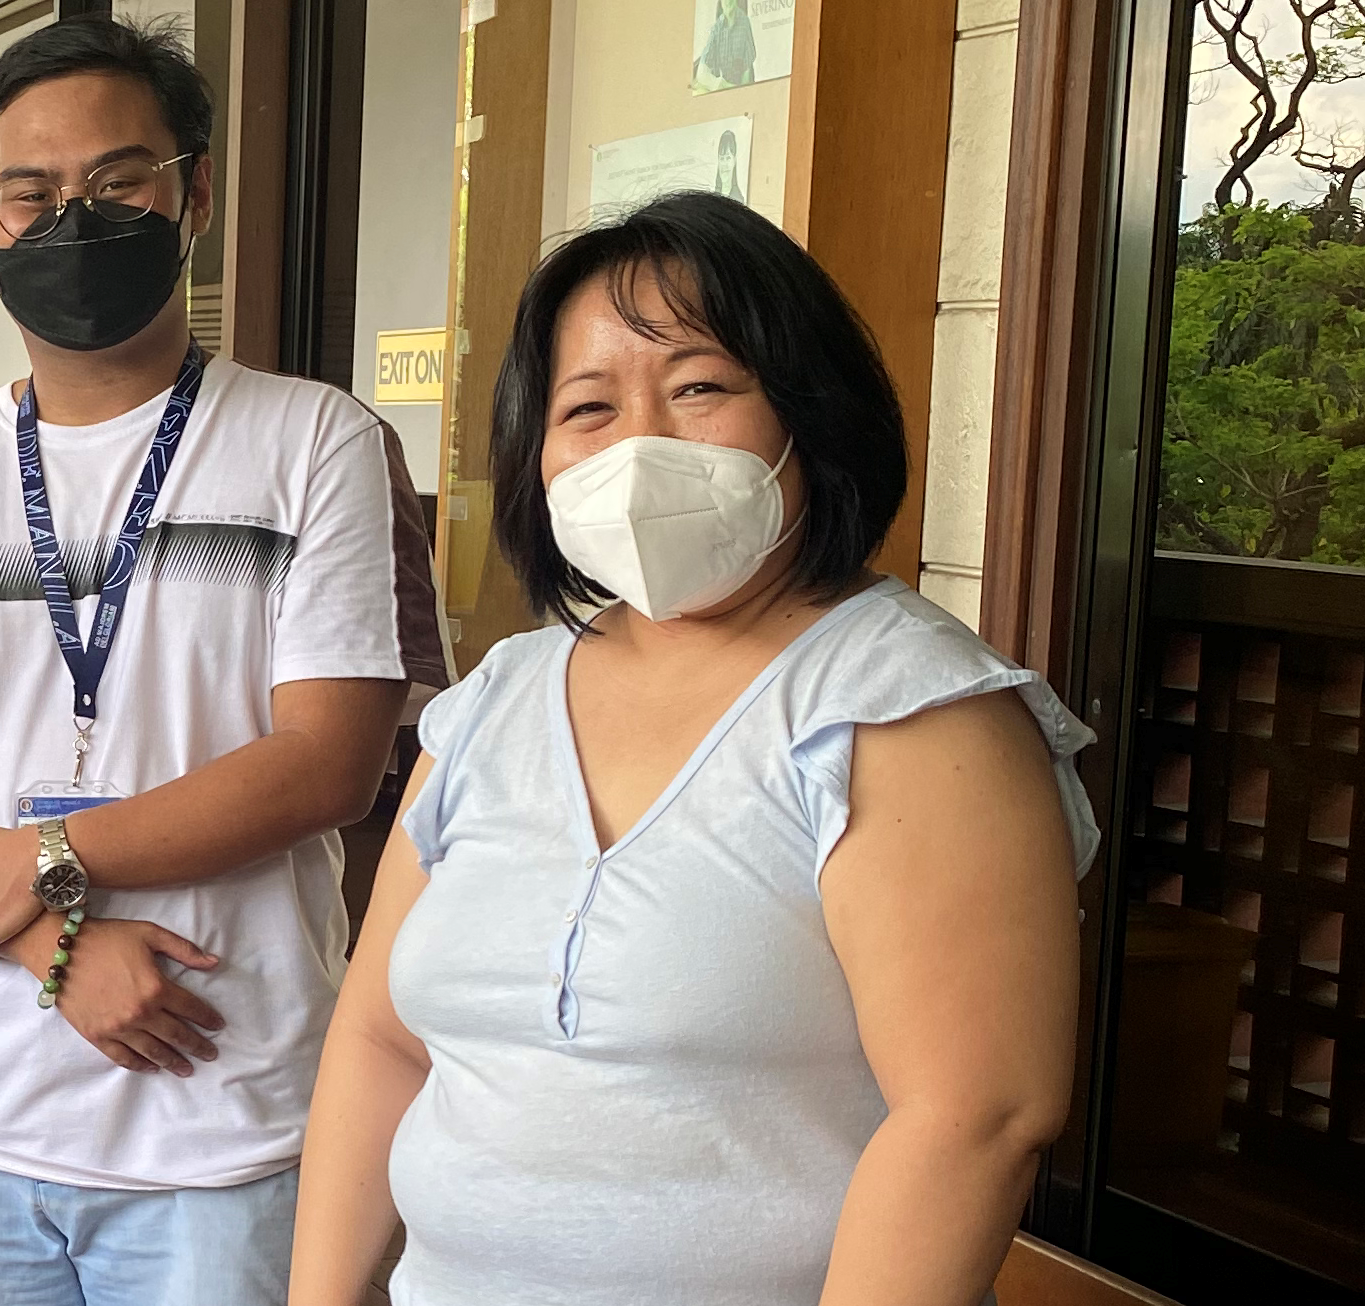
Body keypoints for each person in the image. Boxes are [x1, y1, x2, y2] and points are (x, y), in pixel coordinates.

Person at [288, 190, 1098, 1306]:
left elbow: (976, 1119)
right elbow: (382, 1040)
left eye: (700, 386)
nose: (640, 443)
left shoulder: (904, 710)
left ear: (806, 415)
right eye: (588, 409)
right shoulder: (495, 703)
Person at [0, 15, 438, 1306]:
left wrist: (49, 856)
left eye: (117, 183)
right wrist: (57, 936)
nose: (72, 221)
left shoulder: (312, 442)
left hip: (222, 1127)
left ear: (190, 194)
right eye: (32, 194)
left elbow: (327, 760)